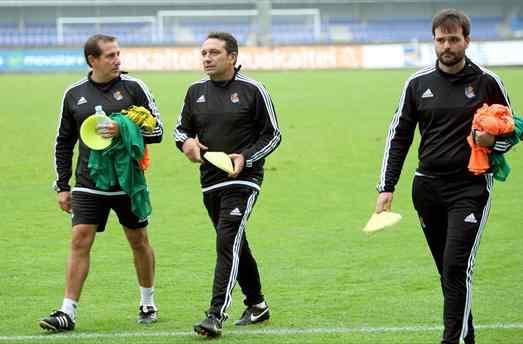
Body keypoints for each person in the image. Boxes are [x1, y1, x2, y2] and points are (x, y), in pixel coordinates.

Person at [375, 9, 513, 344]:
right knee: (448, 273)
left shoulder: (487, 82)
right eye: (441, 39)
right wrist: (386, 187)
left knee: (456, 267)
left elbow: (512, 131)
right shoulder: (417, 84)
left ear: (467, 40)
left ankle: (450, 340)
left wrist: (493, 142)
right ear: (433, 42)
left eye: (454, 39)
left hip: (470, 187)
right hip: (426, 189)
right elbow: (399, 136)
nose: (447, 46)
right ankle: (467, 336)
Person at [40, 34, 163, 332]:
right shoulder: (74, 94)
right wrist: (62, 185)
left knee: (138, 240)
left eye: (118, 54)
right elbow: (63, 142)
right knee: (80, 238)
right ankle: (67, 311)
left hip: (127, 180)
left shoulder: (135, 88)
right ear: (92, 60)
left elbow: (158, 131)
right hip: (88, 180)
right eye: (109, 55)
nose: (117, 60)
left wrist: (123, 129)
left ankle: (148, 301)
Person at [174, 32, 281, 337]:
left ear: (232, 57)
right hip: (210, 181)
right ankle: (257, 304)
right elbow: (181, 131)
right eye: (204, 53)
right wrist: (187, 145)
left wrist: (245, 158)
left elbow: (272, 134)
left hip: (244, 180)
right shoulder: (195, 92)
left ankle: (215, 315)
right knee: (235, 243)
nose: (206, 58)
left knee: (226, 240)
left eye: (214, 53)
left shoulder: (253, 90)